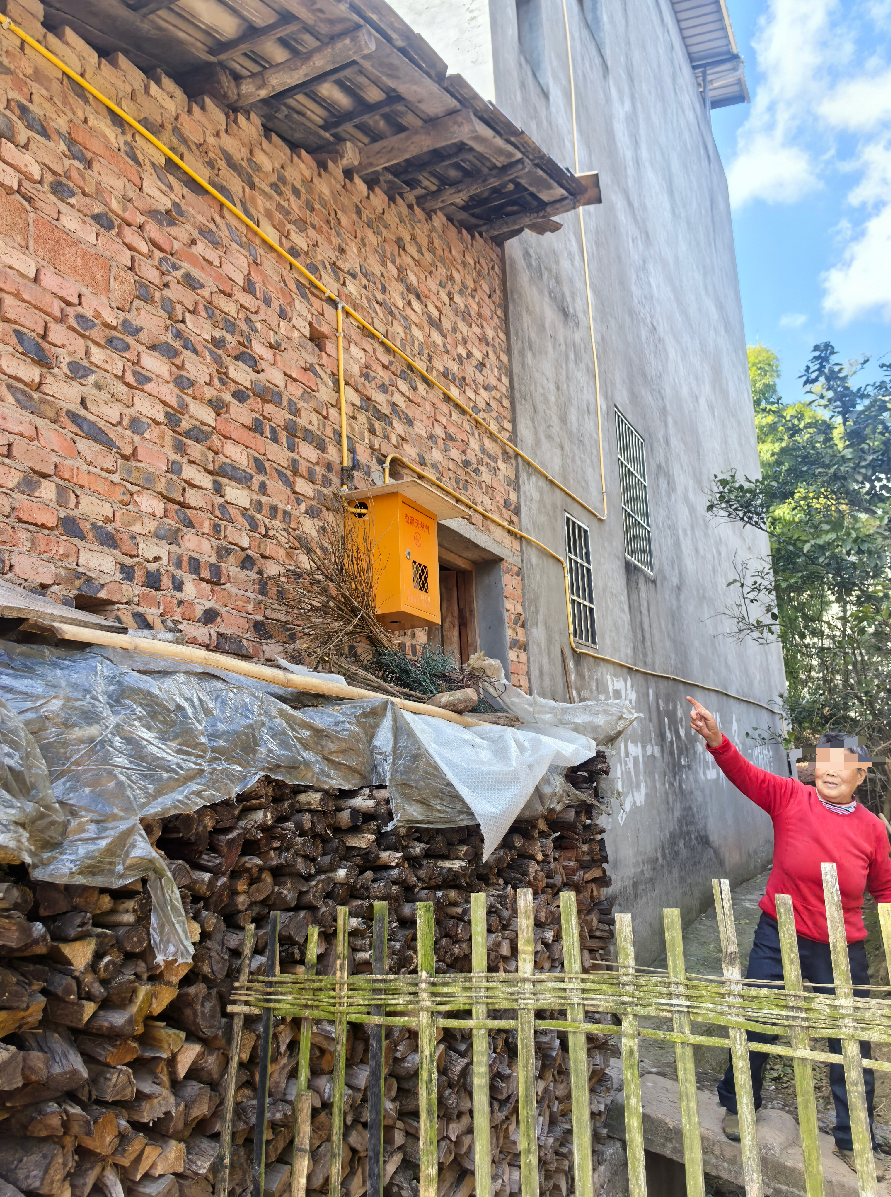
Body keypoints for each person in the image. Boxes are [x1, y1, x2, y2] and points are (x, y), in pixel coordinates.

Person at [687, 696, 891, 1175]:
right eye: (824, 762)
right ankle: (738, 1103)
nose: (831, 770)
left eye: (843, 764)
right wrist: (716, 740)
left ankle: (853, 1137)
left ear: (861, 774)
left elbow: (885, 890)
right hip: (778, 934)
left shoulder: (873, 830)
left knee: (849, 1039)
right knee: (758, 1017)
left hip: (842, 947)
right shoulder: (790, 798)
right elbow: (745, 775)